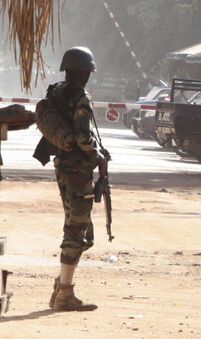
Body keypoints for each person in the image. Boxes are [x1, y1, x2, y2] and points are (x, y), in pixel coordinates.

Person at [45, 47, 107, 311]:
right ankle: (64, 294)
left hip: (62, 166)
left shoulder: (56, 91)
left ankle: (61, 286)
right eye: (87, 72)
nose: (88, 77)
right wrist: (99, 156)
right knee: (77, 230)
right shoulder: (80, 96)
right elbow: (83, 137)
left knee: (78, 229)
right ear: (81, 71)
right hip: (78, 171)